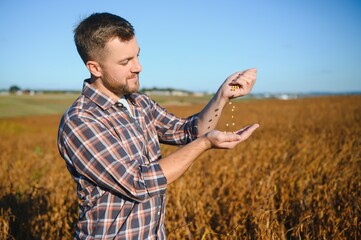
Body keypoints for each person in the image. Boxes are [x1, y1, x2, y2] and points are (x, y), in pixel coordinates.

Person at [57, 12, 259, 239]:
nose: (138, 67)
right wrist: (205, 144)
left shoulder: (139, 103)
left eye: (137, 56)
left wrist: (222, 96)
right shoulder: (81, 121)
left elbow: (187, 131)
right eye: (125, 62)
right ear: (95, 68)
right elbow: (137, 183)